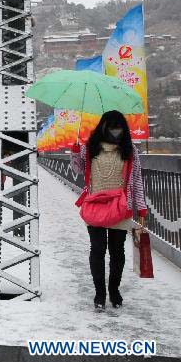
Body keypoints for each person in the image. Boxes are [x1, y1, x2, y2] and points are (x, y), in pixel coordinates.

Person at [71, 110, 146, 310]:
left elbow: (137, 180)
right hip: (95, 204)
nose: (115, 131)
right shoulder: (89, 148)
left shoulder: (130, 151)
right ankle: (99, 293)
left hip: (121, 207)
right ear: (103, 127)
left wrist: (142, 209)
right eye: (112, 126)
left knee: (117, 250)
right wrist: (74, 152)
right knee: (97, 249)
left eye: (119, 126)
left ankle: (114, 290)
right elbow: (77, 169)